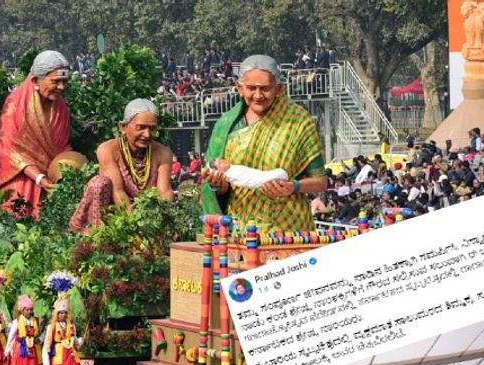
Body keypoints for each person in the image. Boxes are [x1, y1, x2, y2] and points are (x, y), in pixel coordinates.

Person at [201, 55, 327, 232]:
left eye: (265, 89)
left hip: (290, 229)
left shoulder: (299, 122)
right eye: (251, 88)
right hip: (242, 231)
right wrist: (218, 185)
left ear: (279, 89)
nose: (258, 95)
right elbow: (221, 188)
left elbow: (321, 182)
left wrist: (294, 187)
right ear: (239, 88)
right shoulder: (226, 126)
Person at [69, 99, 174, 233]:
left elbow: (165, 192)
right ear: (123, 127)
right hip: (117, 212)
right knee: (99, 183)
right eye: (141, 127)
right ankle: (96, 234)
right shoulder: (107, 149)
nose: (147, 134)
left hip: (148, 216)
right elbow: (118, 191)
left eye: (152, 129)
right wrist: (135, 226)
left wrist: (158, 221)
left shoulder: (163, 153)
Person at [0, 50, 73, 218]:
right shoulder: (14, 105)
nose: (61, 87)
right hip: (22, 179)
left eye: (64, 81)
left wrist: (69, 169)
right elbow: (11, 150)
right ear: (35, 80)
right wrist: (39, 178)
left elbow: (62, 146)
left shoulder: (61, 108)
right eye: (55, 81)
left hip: (53, 181)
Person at [42, 279, 85, 365]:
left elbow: (74, 339)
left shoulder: (71, 325)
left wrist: (79, 341)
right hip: (57, 355)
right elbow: (47, 344)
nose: (63, 315)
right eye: (60, 312)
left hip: (70, 354)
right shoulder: (51, 327)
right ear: (56, 313)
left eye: (65, 312)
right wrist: (46, 361)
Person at [5, 295, 43, 365]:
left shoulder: (36, 320)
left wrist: (39, 340)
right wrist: (7, 350)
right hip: (21, 349)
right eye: (27, 309)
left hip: (33, 349)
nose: (29, 312)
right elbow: (11, 336)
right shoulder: (17, 322)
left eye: (31, 309)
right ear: (22, 310)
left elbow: (40, 334)